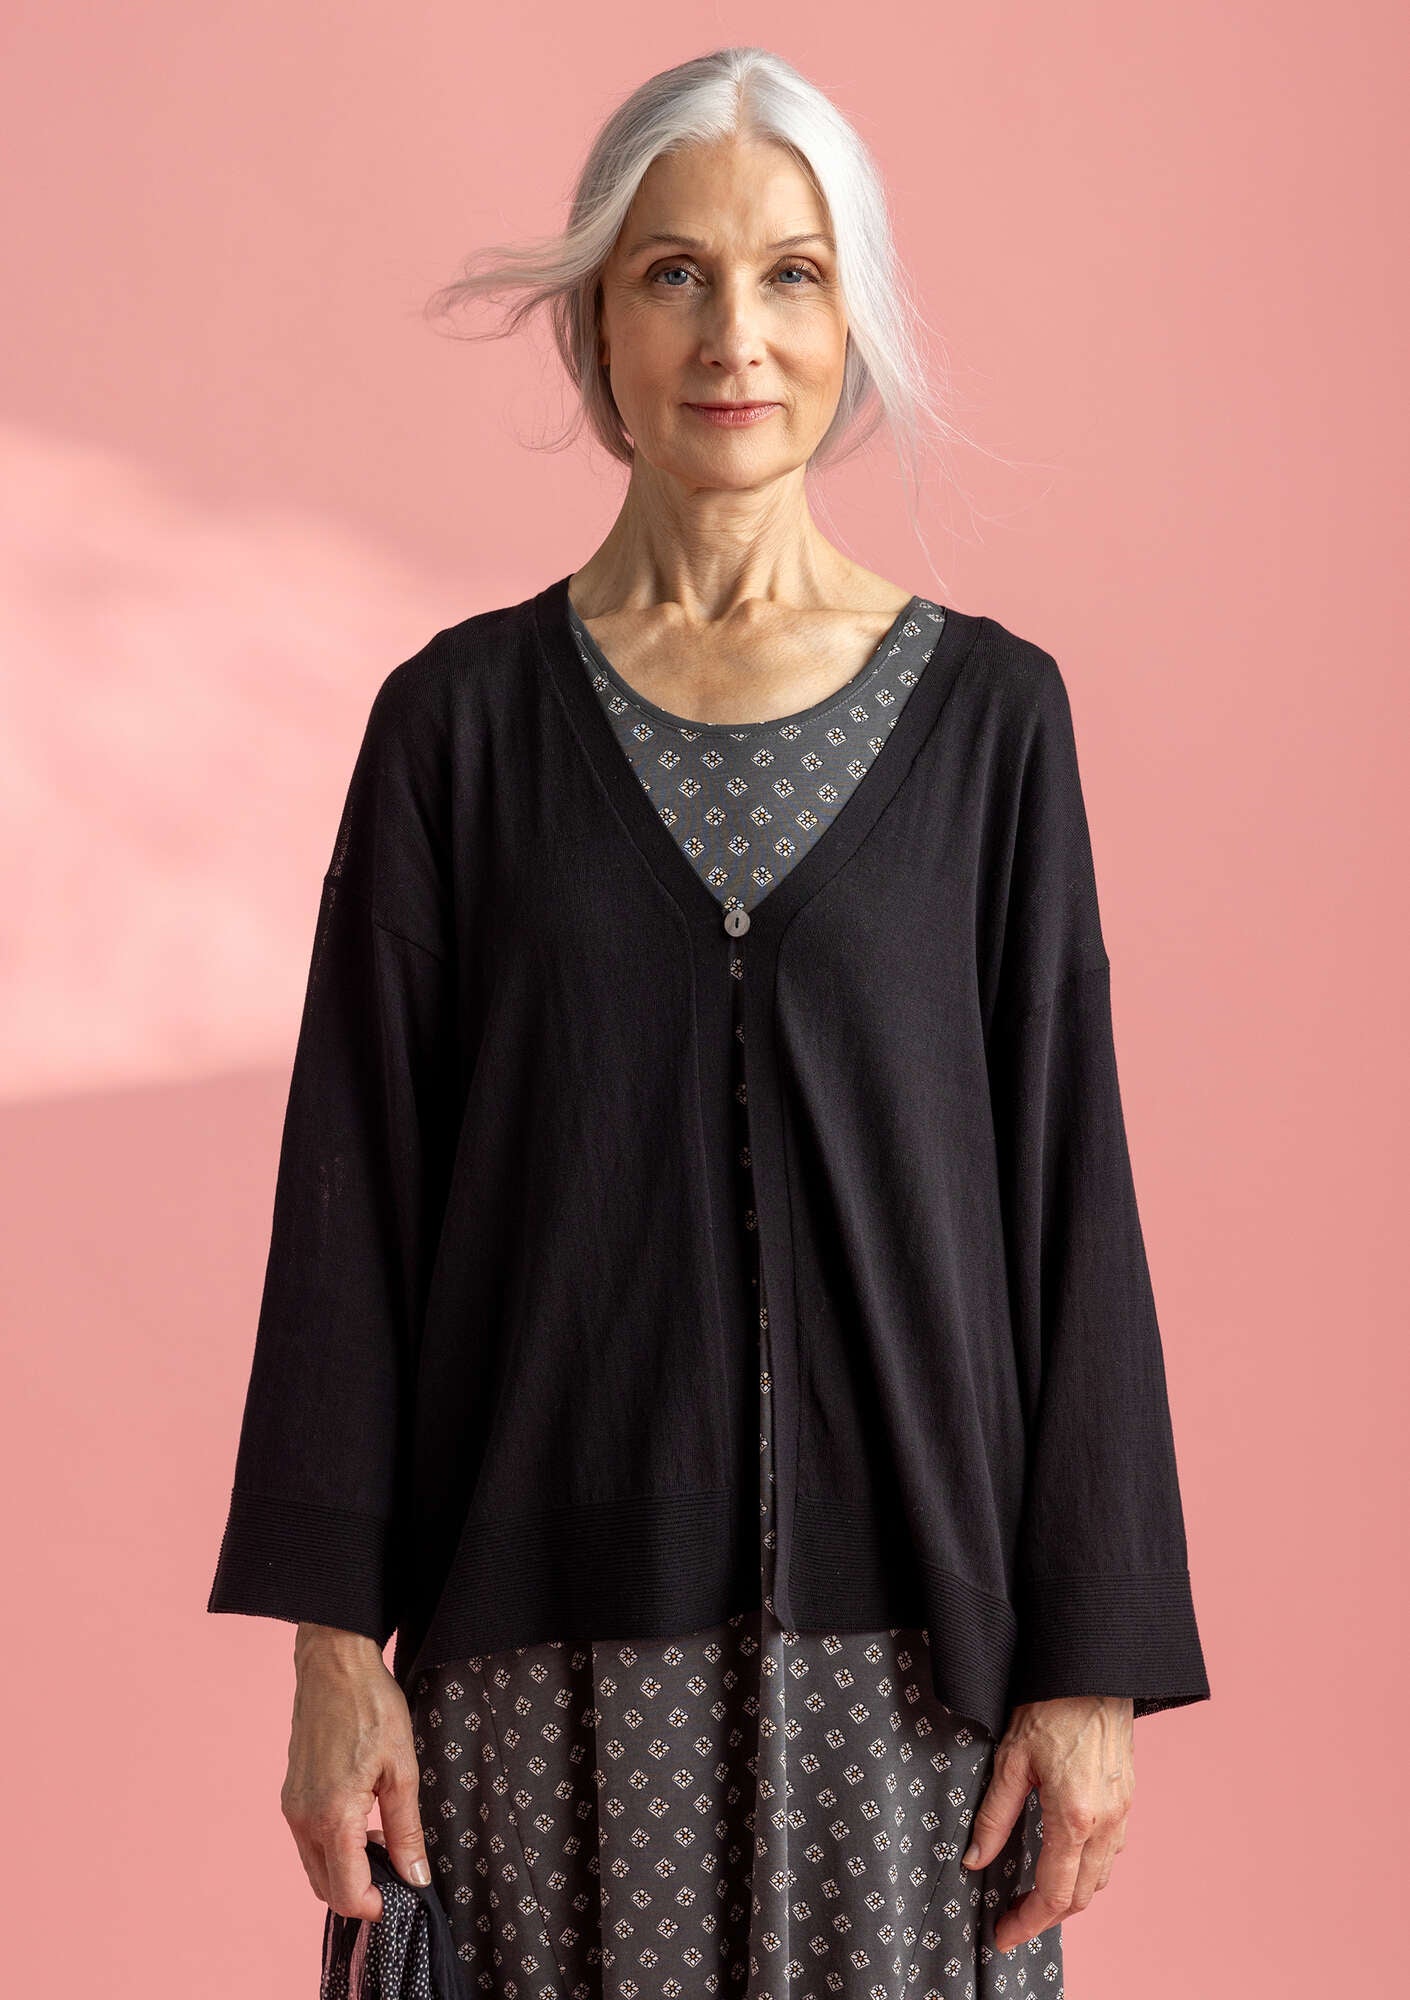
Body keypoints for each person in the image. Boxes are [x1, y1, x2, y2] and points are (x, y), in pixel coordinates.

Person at [208, 46, 1209, 1998]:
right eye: (674, 273)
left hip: (912, 1699)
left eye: (790, 276)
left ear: (855, 321)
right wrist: (334, 1654)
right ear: (596, 318)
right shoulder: (457, 731)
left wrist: (1092, 1666)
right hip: (527, 1683)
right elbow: (355, 1211)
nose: (732, 335)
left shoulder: (993, 726)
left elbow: (1067, 1204)